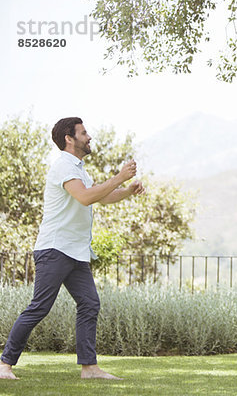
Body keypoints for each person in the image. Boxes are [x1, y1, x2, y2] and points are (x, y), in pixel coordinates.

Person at [0, 117, 144, 380]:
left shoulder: (79, 168)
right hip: (55, 249)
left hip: (75, 252)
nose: (89, 137)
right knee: (40, 307)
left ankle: (89, 368)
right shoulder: (63, 166)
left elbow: (101, 196)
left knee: (89, 303)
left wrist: (128, 189)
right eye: (84, 132)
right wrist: (119, 176)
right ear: (69, 138)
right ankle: (4, 364)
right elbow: (86, 196)